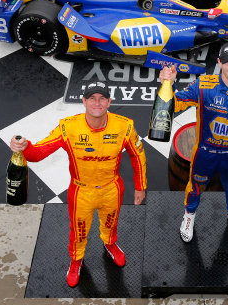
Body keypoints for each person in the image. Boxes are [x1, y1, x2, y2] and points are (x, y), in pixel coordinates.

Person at [9, 81, 147, 288]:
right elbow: (39, 153)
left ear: (109, 102)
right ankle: (76, 260)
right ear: (83, 101)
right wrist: (24, 147)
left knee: (111, 223)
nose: (97, 103)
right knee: (79, 231)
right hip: (81, 191)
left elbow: (139, 155)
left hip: (112, 188)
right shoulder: (68, 126)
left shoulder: (124, 126)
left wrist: (140, 186)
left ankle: (110, 244)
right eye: (92, 98)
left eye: (102, 98)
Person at [159, 42, 228, 245]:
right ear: (219, 62)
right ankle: (189, 215)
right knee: (195, 188)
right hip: (205, 153)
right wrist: (169, 83)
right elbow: (175, 104)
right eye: (227, 62)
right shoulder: (203, 85)